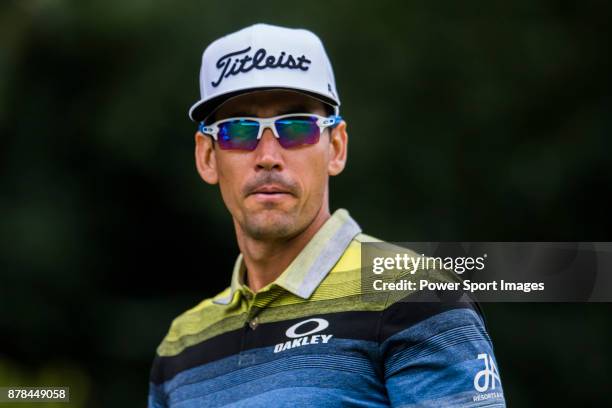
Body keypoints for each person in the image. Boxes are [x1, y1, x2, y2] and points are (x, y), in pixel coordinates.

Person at [148, 23, 506, 407]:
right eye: (238, 131)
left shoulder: (415, 296)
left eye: (297, 128)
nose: (268, 157)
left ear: (336, 146)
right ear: (206, 156)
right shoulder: (181, 346)